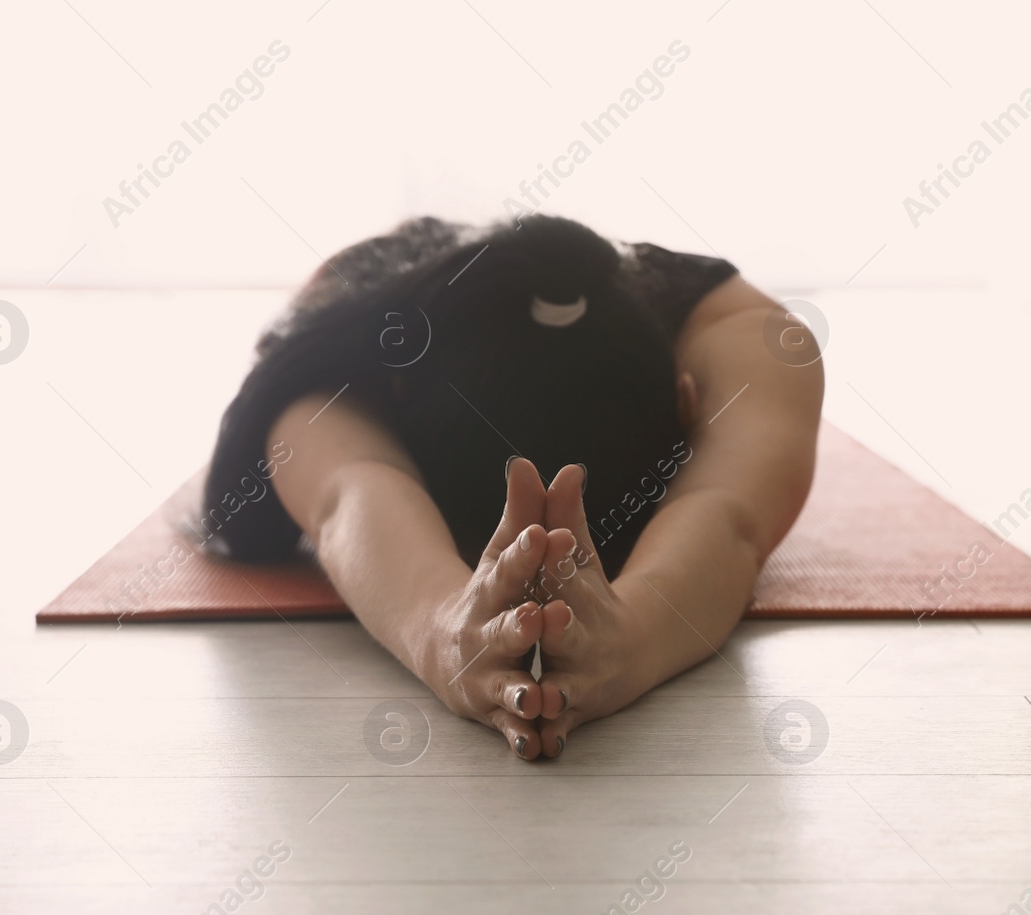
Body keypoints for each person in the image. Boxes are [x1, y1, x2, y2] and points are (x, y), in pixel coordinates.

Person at [204, 215, 822, 759]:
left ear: (688, 404)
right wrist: (445, 637)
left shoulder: (748, 333)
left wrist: (631, 642)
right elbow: (347, 494)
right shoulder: (334, 354)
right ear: (397, 413)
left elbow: (731, 515)